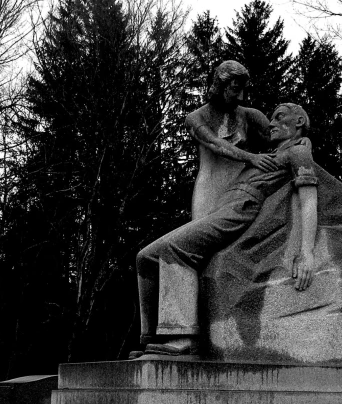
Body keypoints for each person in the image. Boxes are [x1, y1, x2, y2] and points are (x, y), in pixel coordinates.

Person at [136, 103, 319, 355]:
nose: (271, 124)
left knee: (174, 249)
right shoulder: (271, 154)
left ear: (298, 122)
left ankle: (182, 338)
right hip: (223, 207)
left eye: (279, 117)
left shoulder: (297, 153)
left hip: (239, 210)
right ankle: (149, 339)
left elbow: (309, 198)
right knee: (145, 258)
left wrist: (306, 251)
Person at [185, 60, 277, 220]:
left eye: (243, 90)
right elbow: (215, 144)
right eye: (235, 89)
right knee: (204, 234)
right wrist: (252, 158)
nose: (241, 97)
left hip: (243, 185)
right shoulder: (196, 118)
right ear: (221, 86)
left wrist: (302, 141)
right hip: (211, 188)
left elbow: (280, 136)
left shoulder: (250, 115)